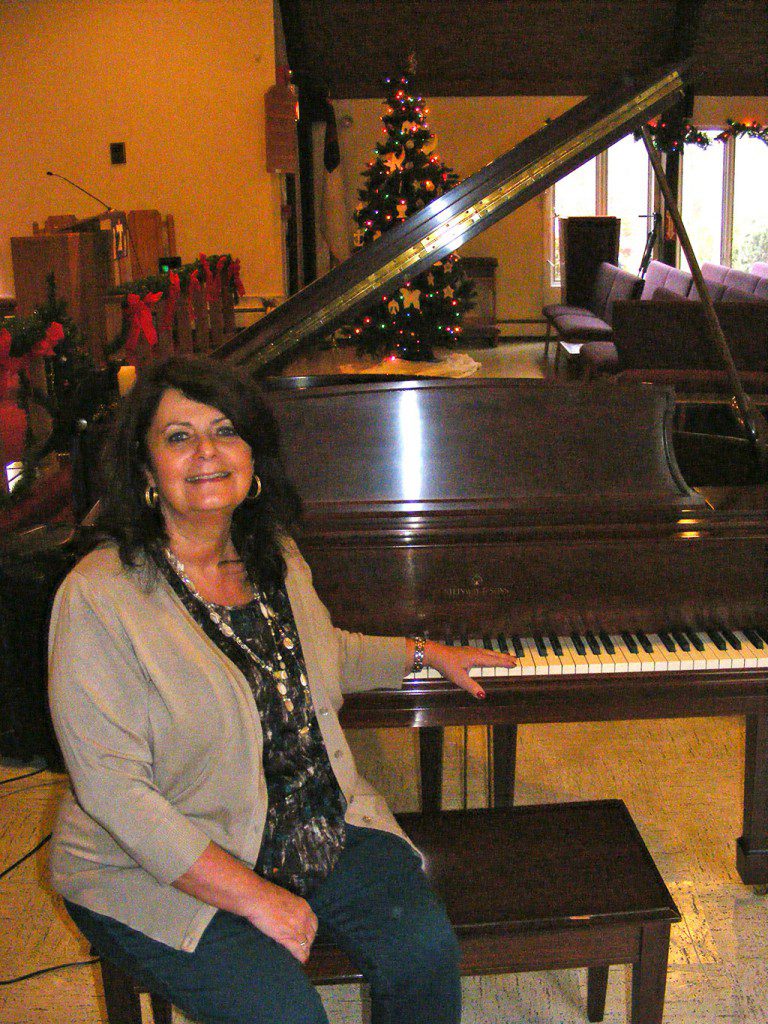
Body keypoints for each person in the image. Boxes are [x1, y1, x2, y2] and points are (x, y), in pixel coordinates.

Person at [48, 355, 516, 1024]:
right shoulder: (99, 597)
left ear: (253, 457)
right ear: (146, 469)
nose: (207, 451)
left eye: (225, 430)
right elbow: (116, 795)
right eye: (179, 436)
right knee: (287, 1015)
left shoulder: (274, 555)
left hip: (311, 824)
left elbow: (322, 656)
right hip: (155, 861)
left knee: (424, 951)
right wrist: (253, 896)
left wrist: (424, 653)